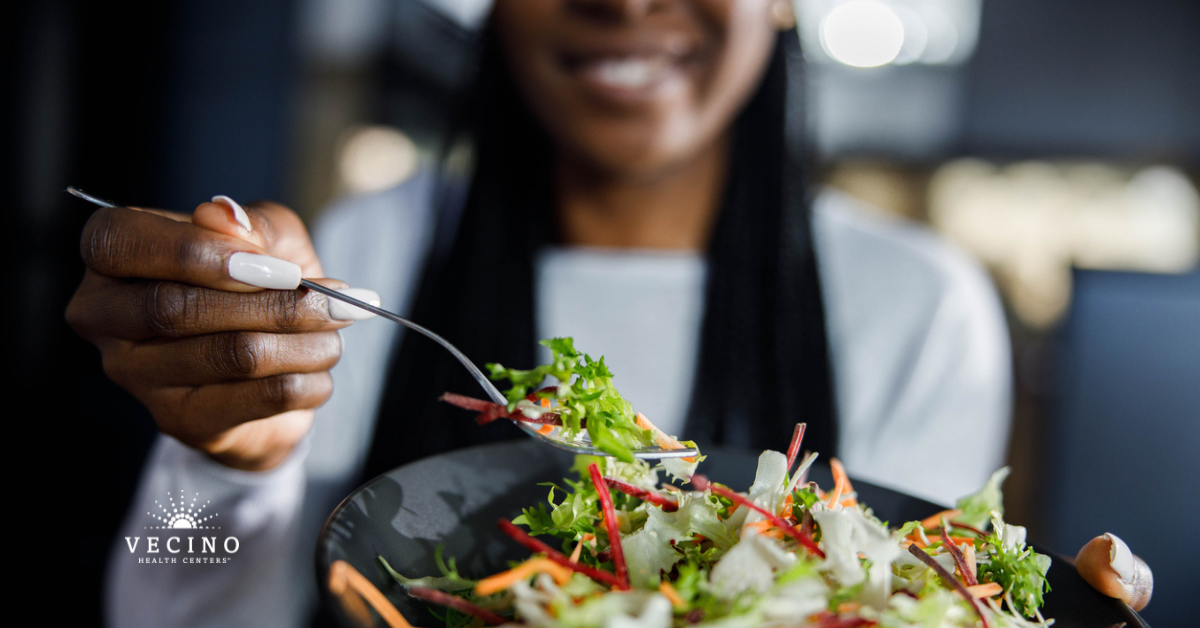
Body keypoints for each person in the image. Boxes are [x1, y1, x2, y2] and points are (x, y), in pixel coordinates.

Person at [67, 1, 1028, 625]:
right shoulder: (360, 260)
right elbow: (158, 598)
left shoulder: (919, 308)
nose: (623, 4)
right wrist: (227, 470)